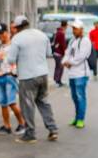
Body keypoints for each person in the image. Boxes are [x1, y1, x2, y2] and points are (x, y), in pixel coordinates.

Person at [5, 15, 59, 143]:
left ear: (17, 28)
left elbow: (11, 59)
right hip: (43, 74)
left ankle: (30, 134)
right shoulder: (41, 35)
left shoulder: (17, 38)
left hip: (27, 76)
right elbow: (48, 53)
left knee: (27, 105)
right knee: (43, 101)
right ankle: (53, 129)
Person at [0, 22, 27, 134]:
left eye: (2, 33)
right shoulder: (2, 46)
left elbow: (18, 60)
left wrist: (14, 73)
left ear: (7, 32)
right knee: (3, 103)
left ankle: (22, 123)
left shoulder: (13, 45)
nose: (0, 36)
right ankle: (7, 126)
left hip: (9, 76)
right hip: (1, 76)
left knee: (11, 102)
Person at [63, 20, 93, 128]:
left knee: (80, 97)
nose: (74, 31)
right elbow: (67, 53)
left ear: (81, 29)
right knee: (75, 97)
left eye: (76, 28)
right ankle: (76, 118)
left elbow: (82, 56)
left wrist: (70, 62)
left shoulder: (85, 41)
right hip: (72, 74)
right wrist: (64, 62)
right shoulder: (72, 41)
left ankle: (81, 119)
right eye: (73, 28)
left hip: (81, 74)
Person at [51, 20, 68, 87]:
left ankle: (57, 80)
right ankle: (57, 81)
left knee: (58, 67)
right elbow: (63, 44)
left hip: (56, 52)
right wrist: (65, 53)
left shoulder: (57, 31)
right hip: (59, 53)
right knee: (60, 67)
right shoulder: (61, 33)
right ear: (65, 25)